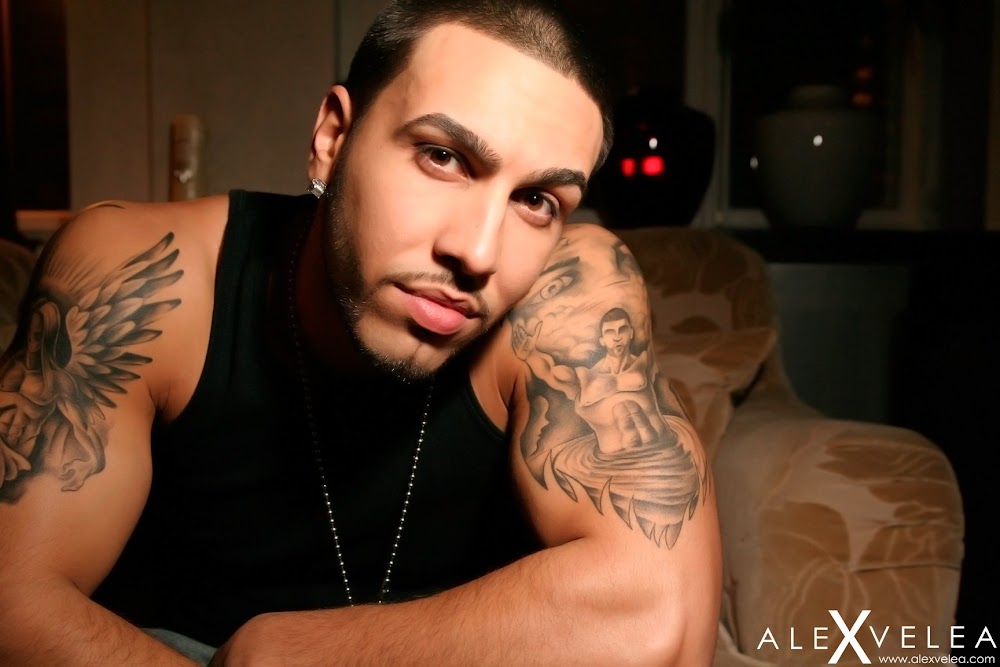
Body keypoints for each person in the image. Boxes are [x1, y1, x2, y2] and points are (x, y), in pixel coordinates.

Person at [0, 0, 722, 664]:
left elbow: (661, 615)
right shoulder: (145, 273)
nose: (478, 252)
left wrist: (293, 651)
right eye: (443, 156)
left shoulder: (565, 294)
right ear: (331, 138)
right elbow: (12, 596)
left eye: (536, 199)